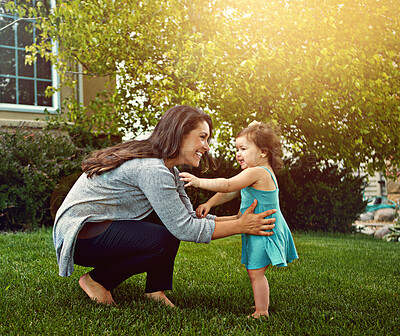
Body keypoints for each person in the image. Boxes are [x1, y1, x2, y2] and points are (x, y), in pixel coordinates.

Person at [53, 106, 277, 307]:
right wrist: (240, 226)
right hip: (81, 236)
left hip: (98, 229)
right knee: (164, 238)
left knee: (168, 225)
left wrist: (239, 221)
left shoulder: (169, 170)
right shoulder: (152, 169)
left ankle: (154, 291)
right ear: (180, 133)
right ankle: (98, 281)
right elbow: (185, 229)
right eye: (202, 137)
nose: (206, 146)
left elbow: (187, 217)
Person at [179, 120, 298, 318]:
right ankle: (261, 306)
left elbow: (227, 185)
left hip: (264, 228)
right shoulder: (254, 172)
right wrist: (209, 204)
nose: (238, 153)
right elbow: (231, 191)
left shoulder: (258, 172)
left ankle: (262, 311)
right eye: (237, 148)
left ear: (263, 152)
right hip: (259, 225)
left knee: (255, 272)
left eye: (243, 148)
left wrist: (199, 182)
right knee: (255, 270)